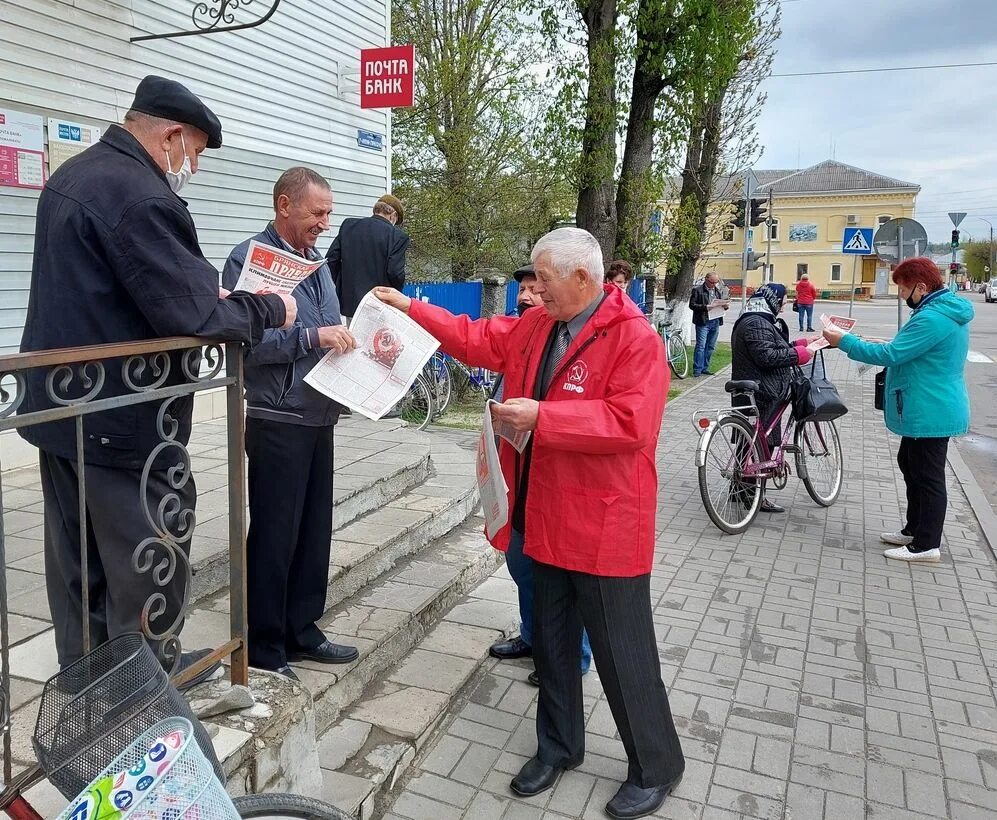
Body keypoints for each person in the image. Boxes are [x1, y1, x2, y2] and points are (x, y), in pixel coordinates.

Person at [375, 228, 685, 820]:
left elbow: (630, 423)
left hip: (601, 524)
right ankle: (559, 748)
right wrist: (409, 306)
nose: (531, 289)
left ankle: (656, 765)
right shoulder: (539, 324)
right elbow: (473, 337)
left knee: (624, 653)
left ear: (582, 280)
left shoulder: (635, 339)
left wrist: (544, 416)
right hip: (541, 515)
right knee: (552, 645)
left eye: (542, 279)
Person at [18, 75, 296, 684]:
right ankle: (145, 686)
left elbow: (126, 287)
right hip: (124, 418)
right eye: (193, 151)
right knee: (146, 558)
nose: (191, 165)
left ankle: (88, 684)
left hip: (65, 408)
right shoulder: (139, 193)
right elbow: (195, 315)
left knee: (78, 560)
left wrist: (198, 291)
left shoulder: (76, 173)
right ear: (170, 135)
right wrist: (269, 308)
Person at [222, 168, 359, 680]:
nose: (325, 223)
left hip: (318, 411)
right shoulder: (249, 259)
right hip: (276, 416)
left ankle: (303, 630)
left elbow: (330, 324)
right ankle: (264, 646)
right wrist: (313, 339)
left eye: (328, 213)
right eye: (317, 213)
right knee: (276, 533)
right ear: (285, 205)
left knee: (312, 530)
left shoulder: (317, 264)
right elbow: (246, 342)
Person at [823, 257, 973, 563]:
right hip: (928, 405)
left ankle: (926, 545)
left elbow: (892, 354)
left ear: (921, 286)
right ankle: (914, 529)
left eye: (903, 290)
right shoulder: (938, 311)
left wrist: (845, 342)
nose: (902, 297)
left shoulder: (932, 317)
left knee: (928, 476)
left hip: (931, 408)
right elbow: (908, 348)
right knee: (909, 463)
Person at [488, 263, 594, 687]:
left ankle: (571, 657)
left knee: (558, 577)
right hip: (518, 469)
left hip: (556, 476)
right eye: (525, 289)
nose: (528, 296)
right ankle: (533, 638)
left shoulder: (569, 337)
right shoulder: (526, 332)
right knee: (520, 563)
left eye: (537, 288)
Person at [730, 283, 813, 513]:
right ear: (772, 299)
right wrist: (800, 355)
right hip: (763, 392)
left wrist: (802, 344)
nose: (785, 303)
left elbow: (773, 345)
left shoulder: (757, 319)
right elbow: (767, 356)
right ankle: (755, 496)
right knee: (761, 445)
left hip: (755, 390)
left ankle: (739, 491)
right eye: (783, 299)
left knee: (749, 442)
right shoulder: (756, 322)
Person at [326, 194, 409, 322]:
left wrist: (337, 290)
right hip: (380, 304)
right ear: (393, 215)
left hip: (351, 304)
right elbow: (395, 273)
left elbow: (331, 261)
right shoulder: (397, 236)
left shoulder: (349, 226)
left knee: (354, 340)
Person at [689, 272, 729, 376]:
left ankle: (705, 367)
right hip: (703, 321)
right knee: (701, 346)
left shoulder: (717, 290)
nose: (714, 285)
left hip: (715, 320)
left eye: (716, 282)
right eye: (712, 282)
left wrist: (725, 306)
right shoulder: (698, 290)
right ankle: (697, 369)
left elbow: (721, 302)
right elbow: (692, 305)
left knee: (710, 346)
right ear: (706, 279)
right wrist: (705, 307)